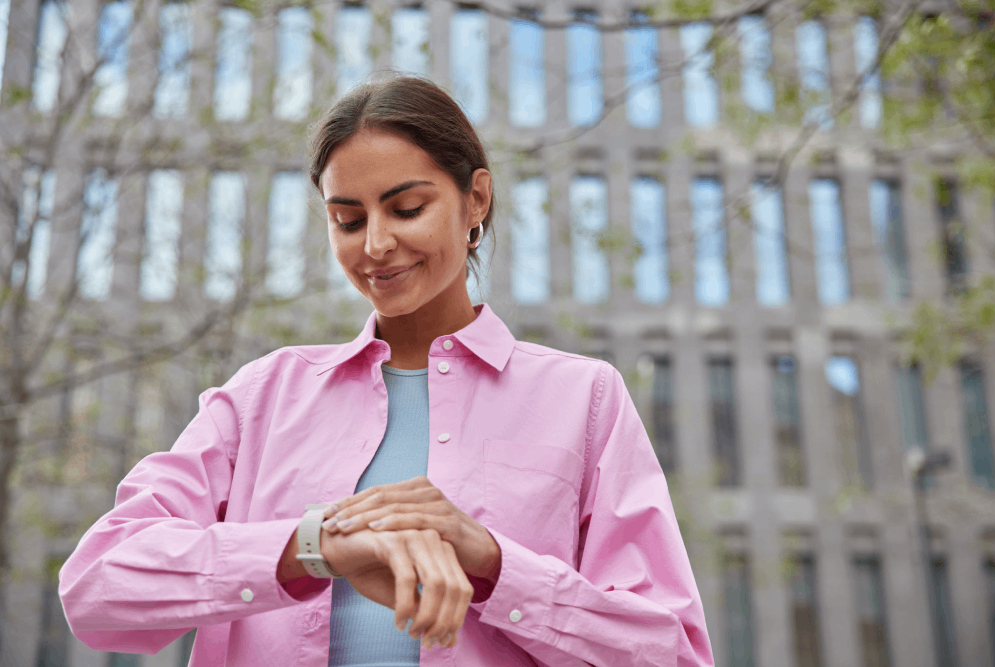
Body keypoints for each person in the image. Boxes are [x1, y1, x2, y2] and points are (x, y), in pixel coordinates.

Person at [59, 76, 713, 667]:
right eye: (348, 219)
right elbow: (95, 584)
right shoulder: (262, 396)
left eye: (406, 209)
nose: (374, 245)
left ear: (475, 199)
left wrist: (494, 566)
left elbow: (671, 653)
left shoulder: (583, 399)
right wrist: (314, 546)